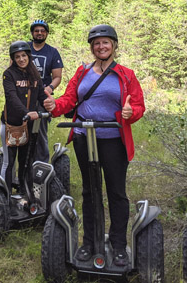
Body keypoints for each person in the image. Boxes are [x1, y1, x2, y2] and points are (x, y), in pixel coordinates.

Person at [44, 24, 145, 267]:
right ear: (92, 47)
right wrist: (55, 106)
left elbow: (138, 106)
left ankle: (118, 245)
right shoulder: (82, 72)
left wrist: (131, 112)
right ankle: (90, 242)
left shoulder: (126, 74)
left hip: (113, 139)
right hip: (83, 136)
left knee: (116, 193)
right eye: (96, 43)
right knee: (90, 191)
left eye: (105, 42)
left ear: (114, 45)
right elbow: (70, 99)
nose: (101, 46)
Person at [0, 41, 47, 196]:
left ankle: (24, 193)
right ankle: (4, 196)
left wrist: (53, 107)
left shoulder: (35, 75)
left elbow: (41, 96)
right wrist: (26, 112)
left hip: (30, 125)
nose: (21, 59)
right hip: (11, 125)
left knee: (26, 161)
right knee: (9, 162)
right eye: (17, 56)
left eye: (24, 56)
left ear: (28, 56)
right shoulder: (9, 74)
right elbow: (11, 97)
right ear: (13, 58)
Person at [28, 19, 63, 162]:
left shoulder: (52, 52)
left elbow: (57, 77)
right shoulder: (24, 48)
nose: (39, 33)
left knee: (40, 131)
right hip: (23, 96)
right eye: (36, 30)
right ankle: (23, 163)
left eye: (43, 31)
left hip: (42, 98)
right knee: (20, 129)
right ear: (32, 33)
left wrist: (48, 88)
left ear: (47, 33)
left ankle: (41, 164)